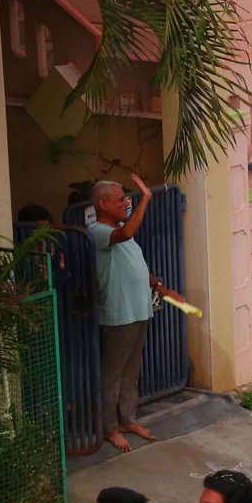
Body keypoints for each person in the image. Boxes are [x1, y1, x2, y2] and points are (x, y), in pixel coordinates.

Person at [89, 176, 186, 451]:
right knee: (113, 374)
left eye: (127, 198)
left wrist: (161, 287)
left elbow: (138, 265)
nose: (125, 203)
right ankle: (109, 428)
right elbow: (127, 234)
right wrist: (146, 198)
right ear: (103, 204)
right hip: (118, 315)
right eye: (120, 199)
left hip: (138, 311)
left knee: (131, 373)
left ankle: (127, 420)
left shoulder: (121, 230)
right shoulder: (97, 231)